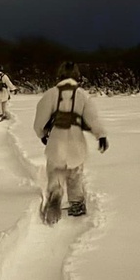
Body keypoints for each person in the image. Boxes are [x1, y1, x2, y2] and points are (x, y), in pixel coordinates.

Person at [33, 60, 108, 224]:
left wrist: (42, 134)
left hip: (56, 141)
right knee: (75, 174)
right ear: (77, 77)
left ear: (59, 76)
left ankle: (56, 191)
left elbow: (39, 121)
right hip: (76, 143)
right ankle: (76, 203)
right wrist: (101, 135)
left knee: (54, 170)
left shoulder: (51, 94)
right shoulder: (83, 96)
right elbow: (93, 118)